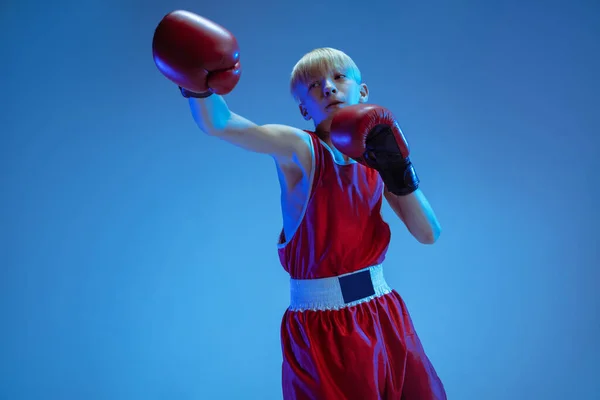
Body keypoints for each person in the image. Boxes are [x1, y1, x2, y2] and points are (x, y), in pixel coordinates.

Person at [152, 10, 447, 400]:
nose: (328, 87)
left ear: (362, 92)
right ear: (304, 110)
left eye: (339, 77)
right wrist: (199, 89)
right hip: (322, 326)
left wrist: (399, 169)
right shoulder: (301, 150)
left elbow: (428, 234)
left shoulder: (377, 152)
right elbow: (223, 125)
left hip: (384, 313)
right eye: (313, 86)